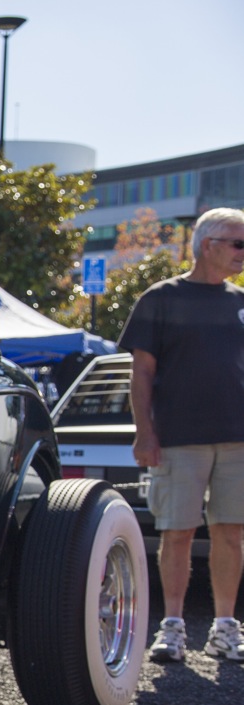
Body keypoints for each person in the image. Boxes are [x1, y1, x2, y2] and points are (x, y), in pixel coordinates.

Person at [121, 206, 244, 662]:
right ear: (208, 245)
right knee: (177, 533)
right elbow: (142, 374)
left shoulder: (240, 301)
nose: (242, 252)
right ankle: (171, 627)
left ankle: (225, 628)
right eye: (238, 243)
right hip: (178, 438)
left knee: (231, 534)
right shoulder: (161, 298)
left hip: (237, 438)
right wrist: (144, 434)